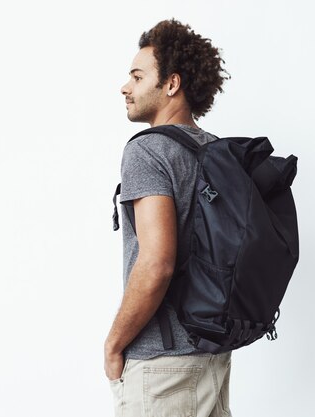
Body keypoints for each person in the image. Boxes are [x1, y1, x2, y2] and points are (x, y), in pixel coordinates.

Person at [104, 18, 232, 417]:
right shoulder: (215, 151)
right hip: (213, 355)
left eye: (138, 77)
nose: (126, 86)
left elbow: (157, 262)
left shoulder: (147, 151)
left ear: (171, 84)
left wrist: (114, 343)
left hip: (162, 366)